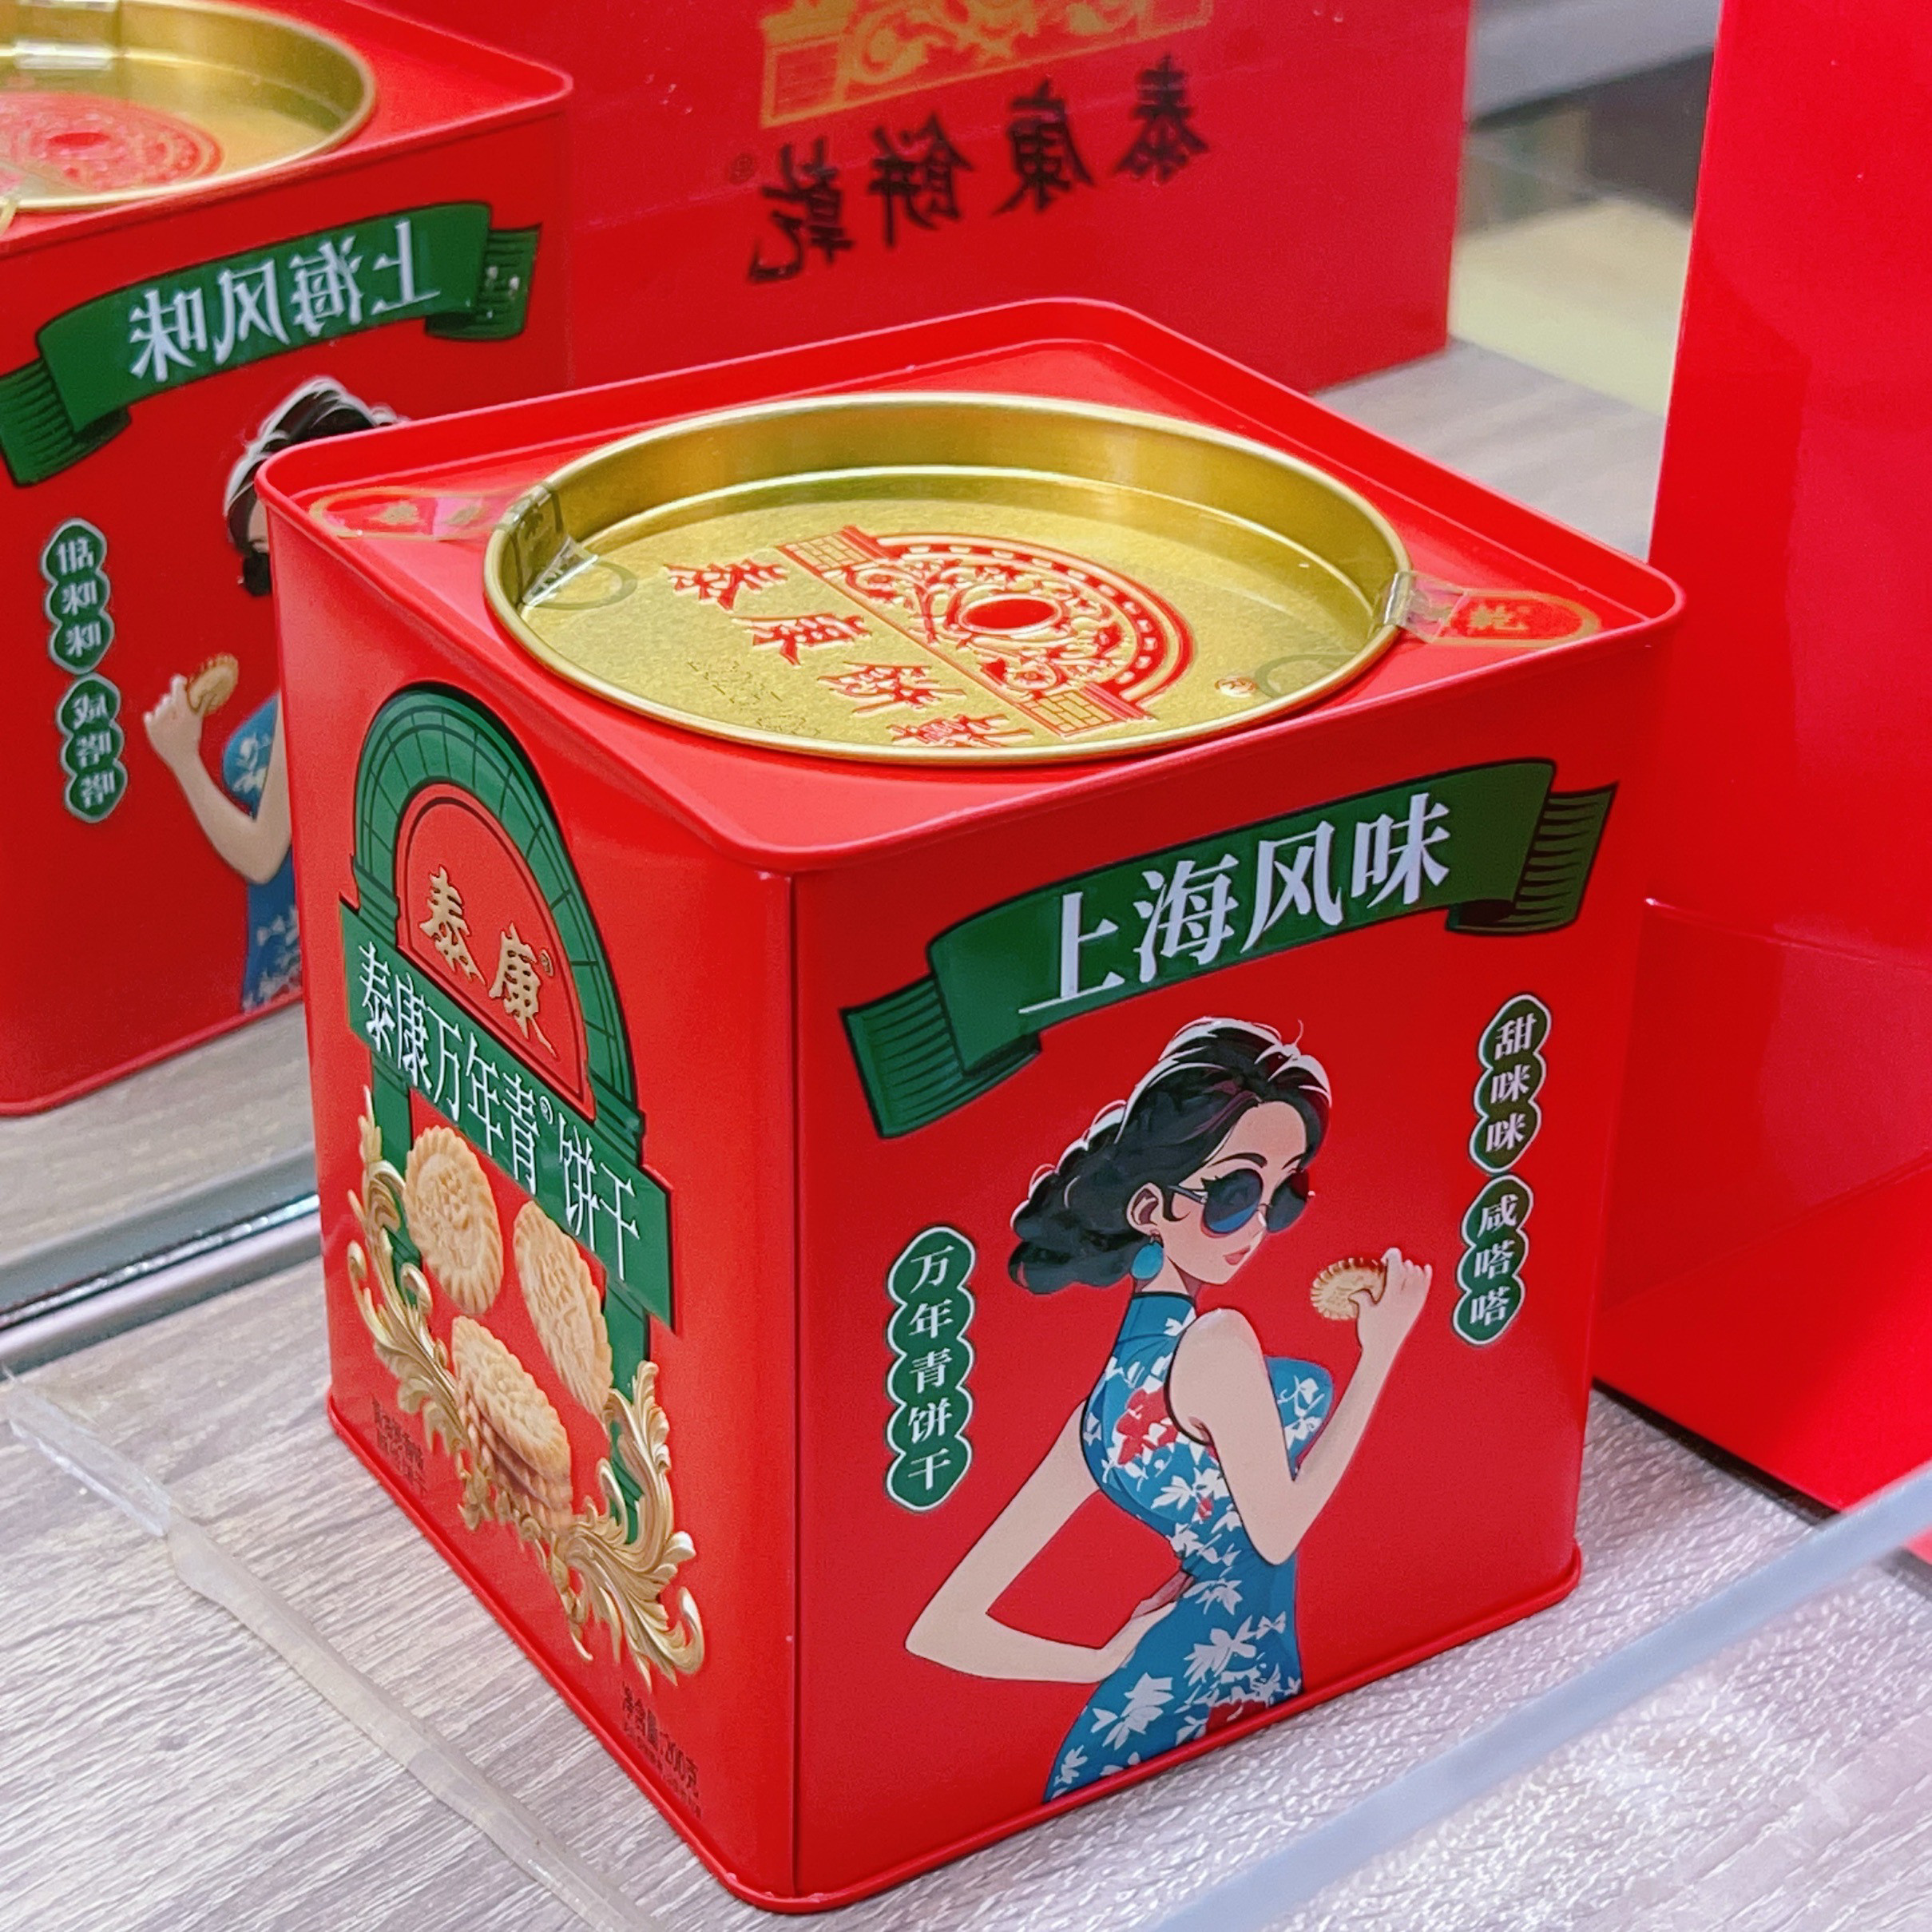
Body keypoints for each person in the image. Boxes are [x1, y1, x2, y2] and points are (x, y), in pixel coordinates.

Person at [906, 1018, 1430, 1799]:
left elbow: (941, 1628)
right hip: (1223, 1684)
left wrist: (1101, 1661)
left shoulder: (1098, 1415)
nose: (1258, 1224)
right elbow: (1277, 1531)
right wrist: (1379, 1354)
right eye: (1234, 1194)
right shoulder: (1217, 1342)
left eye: (1282, 1193)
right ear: (1150, 1208)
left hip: (1156, 1701)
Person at [143, 379, 396, 1010]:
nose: (272, 570)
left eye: (282, 541)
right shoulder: (356, 637)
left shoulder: (325, 664)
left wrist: (182, 759)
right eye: (263, 552)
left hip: (310, 958)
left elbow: (262, 855)